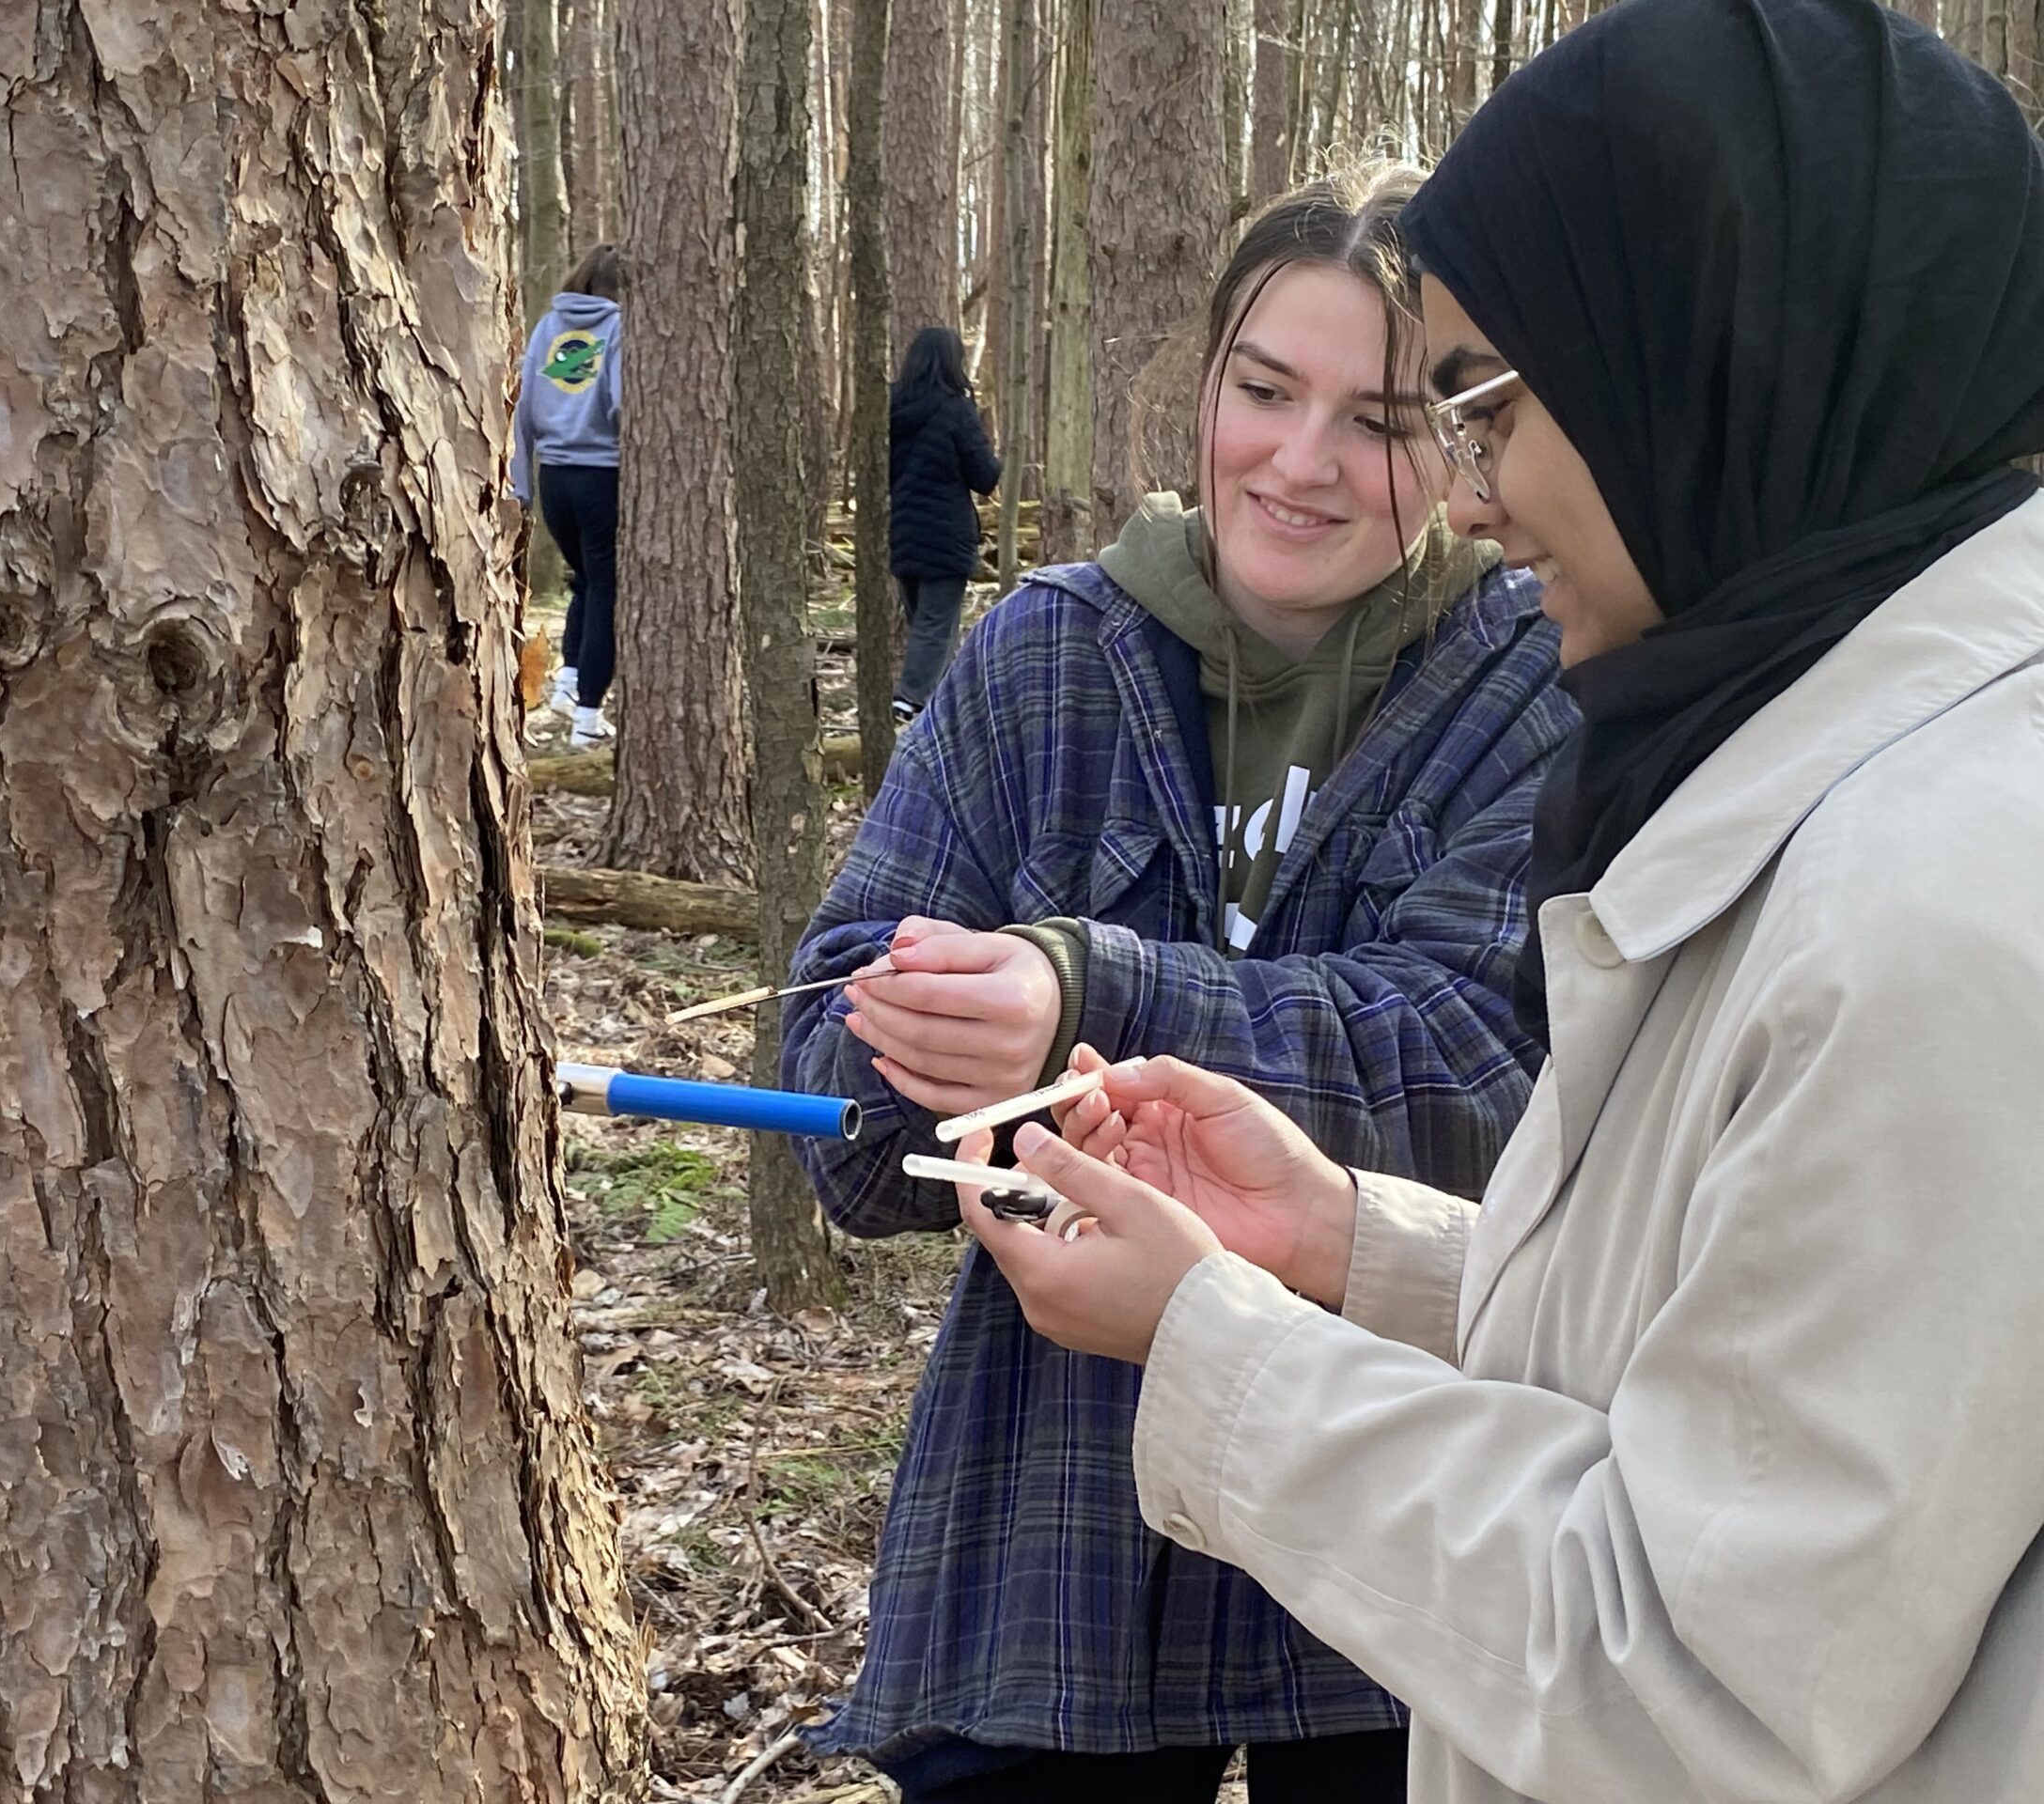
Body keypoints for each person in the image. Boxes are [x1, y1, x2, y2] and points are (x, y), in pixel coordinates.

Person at [958, 4, 2044, 1802]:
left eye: (1478, 408)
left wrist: (1218, 1347)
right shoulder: (1846, 770)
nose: (1466, 492)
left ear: (1691, 363)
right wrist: (1350, 1247)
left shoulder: (1938, 905)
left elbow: (1706, 1678)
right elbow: (1765, 1371)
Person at [781, 158, 1579, 1802]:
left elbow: (1474, 1076)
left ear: (1464, 442)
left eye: (1379, 418)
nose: (1300, 463)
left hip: (1396, 1538)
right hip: (1051, 1528)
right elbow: (843, 1107)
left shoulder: (1532, 680)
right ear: (1204, 380)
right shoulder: (1049, 653)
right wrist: (938, 1031)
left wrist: (1085, 995)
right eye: (1264, 391)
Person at [510, 243, 623, 750]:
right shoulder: (621, 328)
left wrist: (520, 482)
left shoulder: (548, 328)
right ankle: (588, 719)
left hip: (555, 477)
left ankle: (570, 681)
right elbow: (623, 404)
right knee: (609, 591)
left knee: (587, 582)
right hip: (603, 477)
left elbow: (523, 405)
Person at [887, 326, 1003, 721]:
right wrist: (997, 456)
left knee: (927, 623)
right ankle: (910, 699)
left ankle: (944, 705)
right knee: (935, 626)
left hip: (902, 533)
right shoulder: (956, 410)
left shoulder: (889, 407)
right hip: (945, 535)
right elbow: (985, 475)